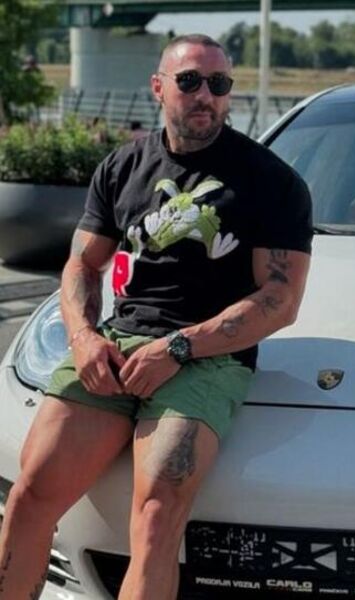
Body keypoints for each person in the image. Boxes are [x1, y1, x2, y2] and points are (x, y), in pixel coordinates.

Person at [0, 33, 312, 600]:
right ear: (158, 87)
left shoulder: (271, 181)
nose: (205, 95)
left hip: (206, 357)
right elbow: (82, 264)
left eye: (219, 83)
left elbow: (280, 299)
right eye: (189, 81)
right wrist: (83, 338)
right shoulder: (123, 166)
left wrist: (179, 347)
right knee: (30, 494)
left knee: (155, 515)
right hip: (117, 345)